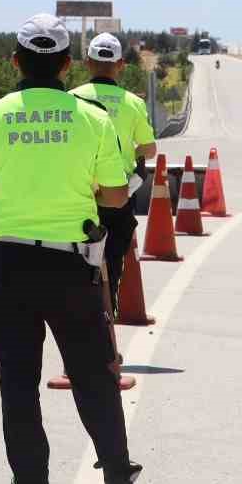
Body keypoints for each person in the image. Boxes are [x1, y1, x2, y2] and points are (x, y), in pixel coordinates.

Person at [0, 14, 141, 484]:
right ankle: (118, 479)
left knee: (18, 384)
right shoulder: (93, 118)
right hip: (72, 266)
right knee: (94, 377)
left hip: (8, 266)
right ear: (66, 64)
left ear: (15, 61)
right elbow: (117, 195)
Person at [70, 33, 157, 315]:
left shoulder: (71, 99)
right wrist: (131, 155)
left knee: (75, 266)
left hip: (78, 195)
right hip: (118, 195)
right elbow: (149, 149)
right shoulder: (133, 103)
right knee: (112, 263)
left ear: (87, 63)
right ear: (120, 65)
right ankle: (109, 312)